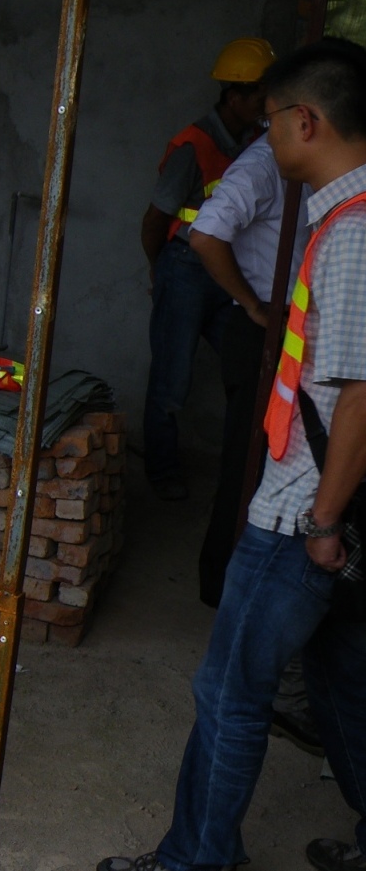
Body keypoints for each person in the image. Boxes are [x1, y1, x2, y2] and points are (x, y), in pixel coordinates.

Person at [99, 38, 366, 871]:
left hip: (304, 510)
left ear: (306, 120)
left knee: (229, 689)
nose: (266, 136)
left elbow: (361, 397)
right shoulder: (344, 216)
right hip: (329, 498)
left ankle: (194, 859)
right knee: (342, 683)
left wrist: (322, 520)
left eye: (273, 120)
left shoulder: (353, 233)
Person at [141, 38, 275, 501]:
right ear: (234, 96)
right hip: (185, 267)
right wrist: (159, 271)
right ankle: (162, 473)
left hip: (228, 271)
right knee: (171, 380)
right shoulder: (193, 145)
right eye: (259, 97)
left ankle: (244, 472)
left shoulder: (257, 143)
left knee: (247, 366)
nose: (267, 106)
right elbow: (155, 219)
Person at [187, 133, 307, 608]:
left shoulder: (298, 166)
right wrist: (255, 304)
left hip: (286, 329)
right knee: (248, 463)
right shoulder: (264, 164)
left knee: (270, 460)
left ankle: (243, 586)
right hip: (264, 331)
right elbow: (205, 233)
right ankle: (223, 587)